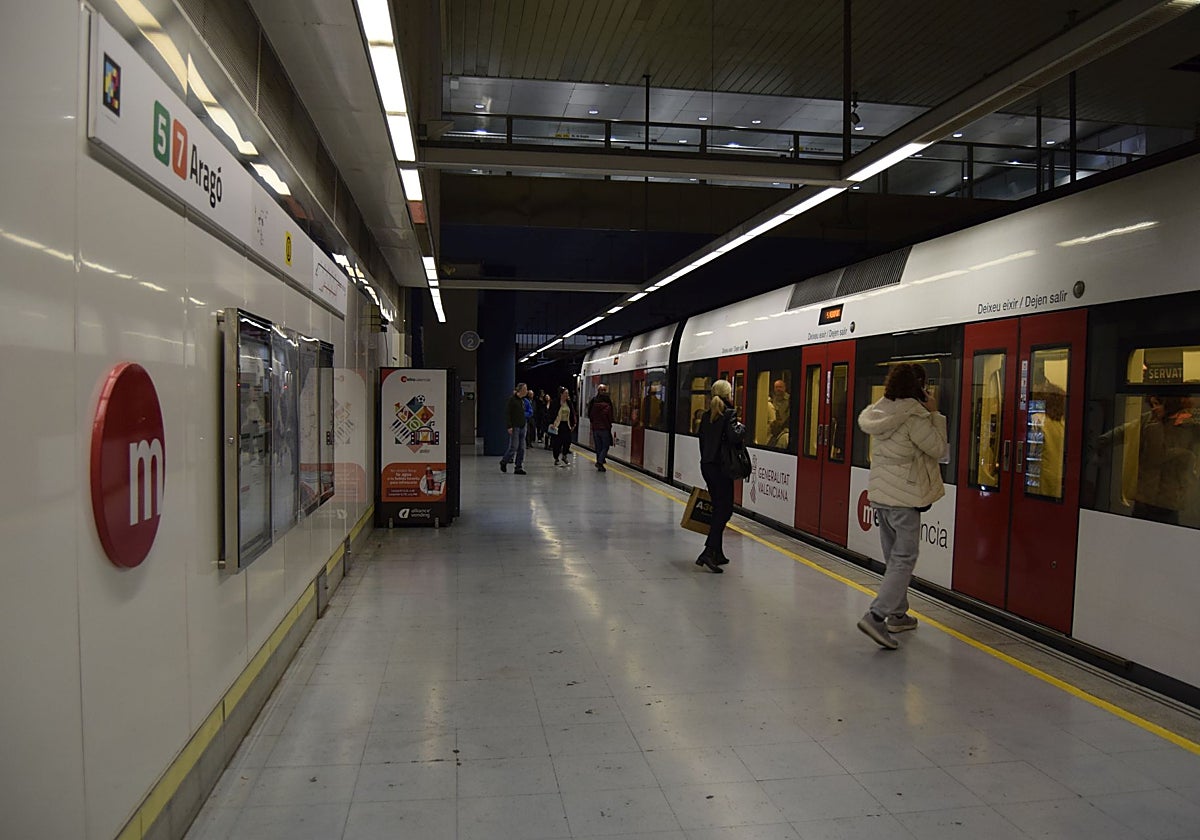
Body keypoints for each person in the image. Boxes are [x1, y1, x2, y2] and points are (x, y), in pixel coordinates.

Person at [855, 363, 947, 649]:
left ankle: (897, 613)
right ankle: (877, 616)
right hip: (905, 498)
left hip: (881, 495)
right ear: (918, 386)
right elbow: (940, 450)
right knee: (904, 558)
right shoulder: (914, 417)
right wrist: (935, 413)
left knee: (894, 557)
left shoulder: (880, 411)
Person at [1096, 394, 1200, 524]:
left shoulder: (1187, 423)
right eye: (1152, 405)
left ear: (1169, 405)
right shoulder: (1147, 420)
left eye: (1158, 404)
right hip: (1145, 497)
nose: (1154, 409)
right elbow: (1122, 432)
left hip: (1169, 498)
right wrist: (1096, 444)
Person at [695, 379, 743, 574]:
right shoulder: (730, 414)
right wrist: (742, 427)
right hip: (723, 469)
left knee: (718, 507)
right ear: (728, 394)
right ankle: (708, 551)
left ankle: (718, 553)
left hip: (708, 467)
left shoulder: (707, 415)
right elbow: (734, 437)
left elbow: (702, 441)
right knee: (725, 510)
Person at [500, 383, 529, 475]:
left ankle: (518, 467)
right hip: (515, 426)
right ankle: (504, 461)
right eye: (525, 389)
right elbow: (508, 413)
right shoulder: (512, 400)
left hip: (522, 426)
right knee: (514, 447)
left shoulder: (523, 401)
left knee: (522, 448)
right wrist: (509, 426)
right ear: (520, 390)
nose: (526, 391)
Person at [587, 384, 615, 472]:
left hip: (596, 428)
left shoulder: (594, 403)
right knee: (605, 446)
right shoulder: (608, 405)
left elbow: (590, 415)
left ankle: (600, 462)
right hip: (604, 429)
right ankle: (600, 462)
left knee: (598, 447)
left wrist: (593, 424)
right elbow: (610, 418)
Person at [550, 387, 577, 466]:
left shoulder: (569, 403)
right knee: (557, 443)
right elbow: (551, 413)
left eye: (567, 393)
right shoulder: (555, 402)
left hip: (566, 424)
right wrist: (551, 423)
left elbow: (572, 413)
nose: (567, 395)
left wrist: (573, 424)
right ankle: (556, 458)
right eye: (565, 393)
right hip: (558, 424)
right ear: (561, 394)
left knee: (567, 441)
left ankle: (564, 455)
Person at [766, 378, 790, 448]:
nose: (778, 389)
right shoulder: (771, 400)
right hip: (774, 429)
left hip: (784, 429)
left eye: (780, 387)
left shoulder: (790, 400)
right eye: (776, 387)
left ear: (785, 388)